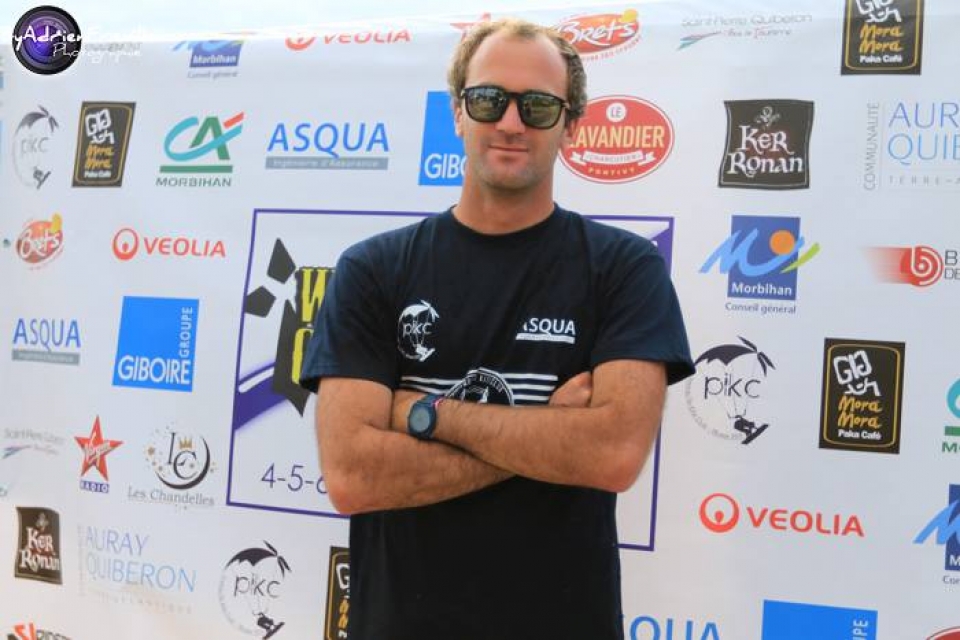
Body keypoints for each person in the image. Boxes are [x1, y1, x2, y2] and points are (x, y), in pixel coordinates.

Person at [300, 17, 694, 640]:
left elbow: (612, 456)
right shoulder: (373, 270)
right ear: (459, 113)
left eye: (538, 106)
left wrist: (424, 414)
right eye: (489, 100)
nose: (511, 122)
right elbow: (353, 476)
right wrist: (550, 432)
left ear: (571, 125)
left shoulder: (623, 269)